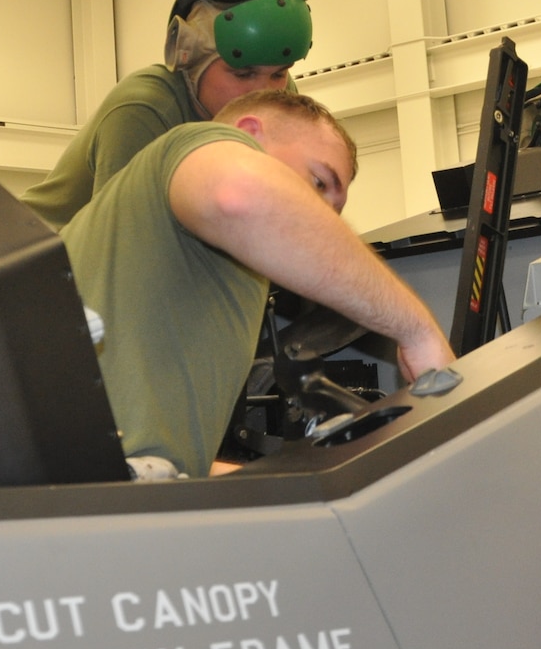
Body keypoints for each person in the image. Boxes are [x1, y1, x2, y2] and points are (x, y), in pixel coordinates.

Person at [62, 88, 452, 479]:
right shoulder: (187, 146)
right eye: (318, 183)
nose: (321, 216)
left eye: (334, 211)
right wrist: (418, 330)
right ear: (248, 134)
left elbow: (169, 458)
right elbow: (238, 195)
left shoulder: (191, 263)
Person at [23, 0, 315, 229]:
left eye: (278, 73)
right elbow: (122, 241)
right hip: (33, 260)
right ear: (187, 55)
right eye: (243, 74)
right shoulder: (143, 108)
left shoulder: (282, 97)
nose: (262, 95)